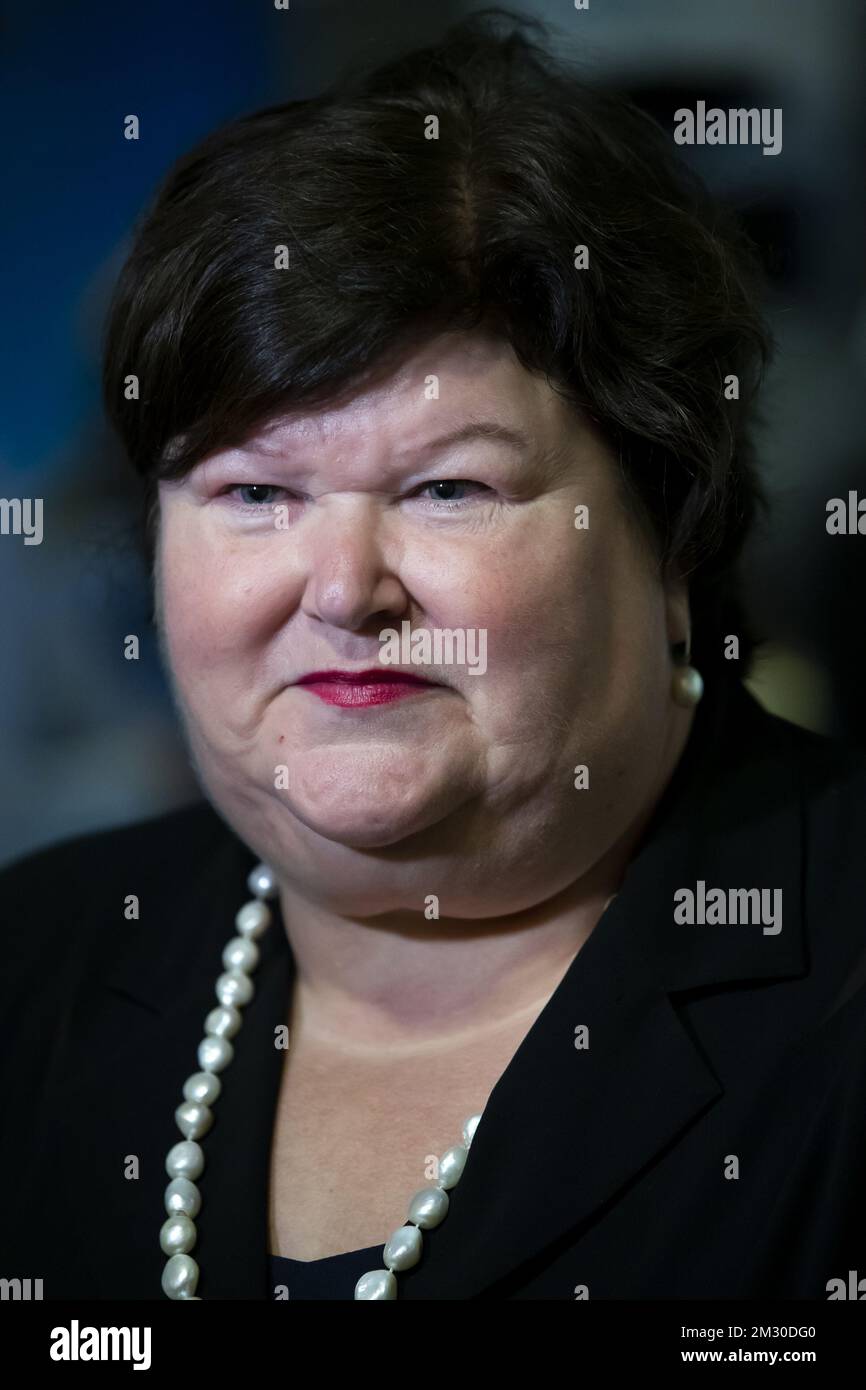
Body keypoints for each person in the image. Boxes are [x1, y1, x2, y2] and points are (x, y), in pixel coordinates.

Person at [2, 9, 865, 1302]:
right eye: (252, 493)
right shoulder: (33, 960)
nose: (345, 589)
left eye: (448, 488)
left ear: (671, 535)